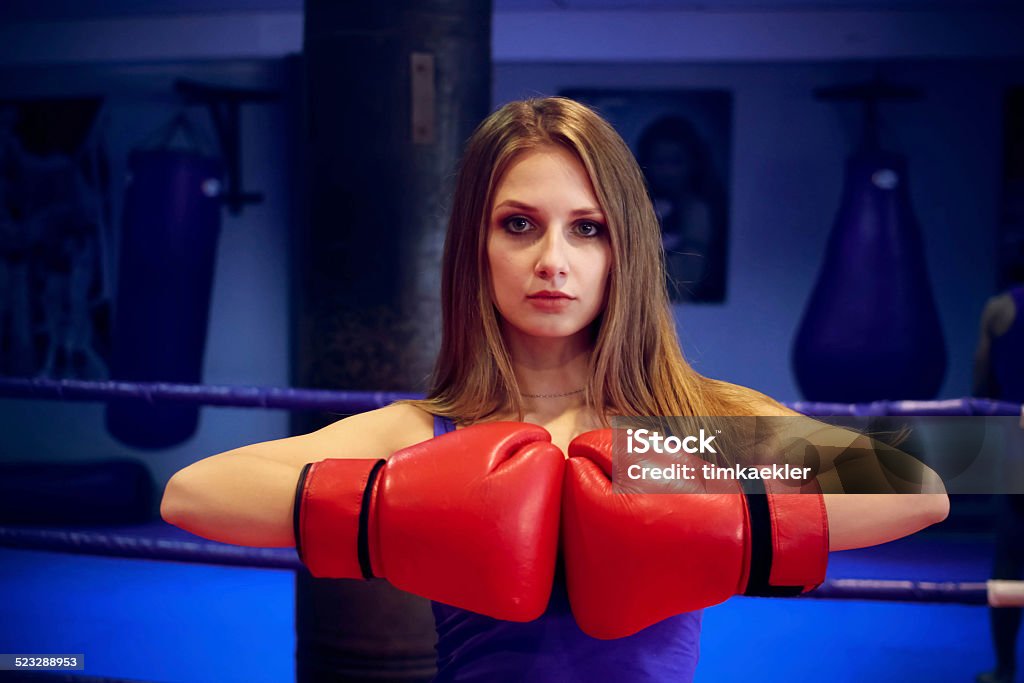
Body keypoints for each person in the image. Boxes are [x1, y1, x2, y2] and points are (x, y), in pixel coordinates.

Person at [161, 97, 950, 681]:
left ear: (624, 251)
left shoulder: (686, 426)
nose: (553, 260)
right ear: (478, 245)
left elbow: (919, 489)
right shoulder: (431, 431)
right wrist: (389, 507)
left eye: (587, 227)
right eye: (519, 224)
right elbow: (192, 493)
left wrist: (681, 483)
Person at [974, 283, 1024, 683]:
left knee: (1011, 560)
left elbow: (982, 385)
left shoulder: (1000, 307)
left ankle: (1005, 668)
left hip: (1019, 448)